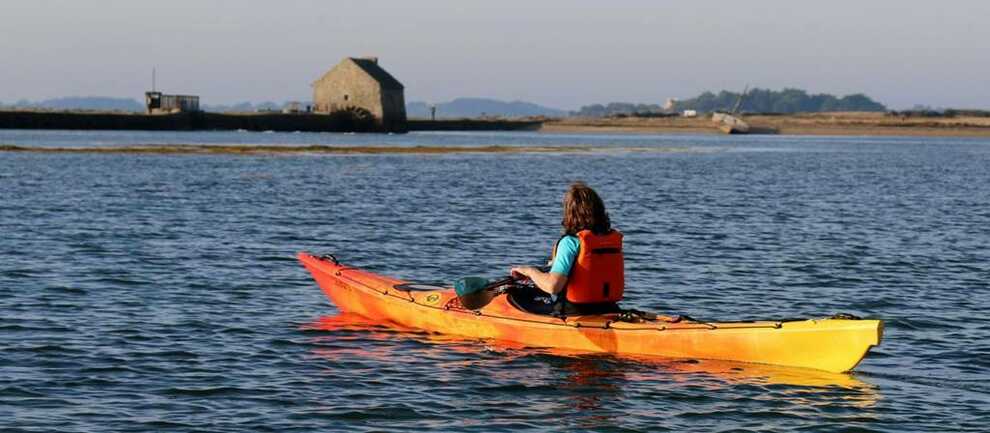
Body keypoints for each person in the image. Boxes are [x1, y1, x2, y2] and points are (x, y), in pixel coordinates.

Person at [511, 182, 624, 316]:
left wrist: (530, 271)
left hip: (575, 314)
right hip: (609, 309)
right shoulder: (609, 240)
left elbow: (553, 286)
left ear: (570, 213)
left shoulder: (570, 242)